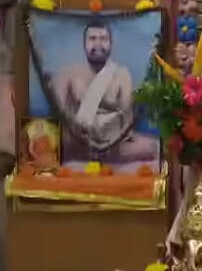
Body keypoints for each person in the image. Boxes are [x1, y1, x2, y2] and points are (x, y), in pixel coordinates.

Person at [48, 20, 158, 165]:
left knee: (152, 147)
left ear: (110, 44)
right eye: (92, 39)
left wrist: (96, 102)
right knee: (52, 145)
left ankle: (99, 154)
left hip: (113, 143)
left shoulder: (121, 74)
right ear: (84, 44)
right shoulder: (69, 74)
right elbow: (59, 114)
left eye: (103, 39)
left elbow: (126, 117)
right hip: (78, 142)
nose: (98, 44)